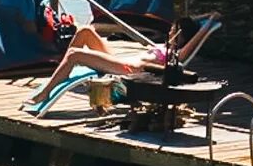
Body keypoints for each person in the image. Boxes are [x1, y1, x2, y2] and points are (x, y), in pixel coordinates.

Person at [23, 12, 221, 113]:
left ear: (181, 36)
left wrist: (209, 21)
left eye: (173, 30)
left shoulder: (177, 53)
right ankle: (61, 71)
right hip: (121, 61)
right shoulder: (167, 45)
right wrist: (201, 17)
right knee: (85, 31)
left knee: (75, 53)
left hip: (128, 69)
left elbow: (195, 38)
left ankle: (46, 91)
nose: (169, 31)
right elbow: (193, 22)